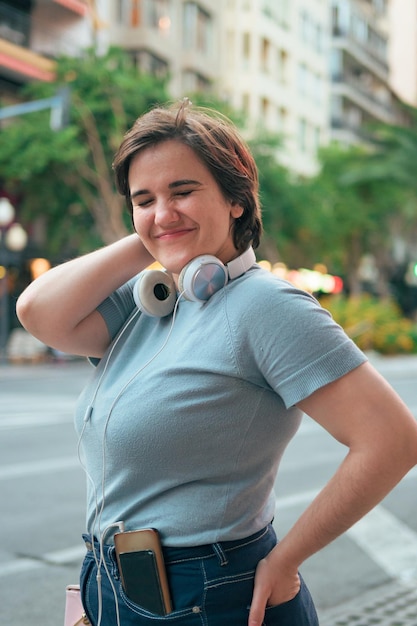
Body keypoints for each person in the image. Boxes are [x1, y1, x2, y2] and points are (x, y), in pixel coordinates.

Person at [16, 99, 417, 626]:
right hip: (113, 584)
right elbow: (37, 312)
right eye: (143, 198)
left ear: (235, 199)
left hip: (208, 593)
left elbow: (393, 439)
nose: (163, 209)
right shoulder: (151, 297)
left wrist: (287, 559)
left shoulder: (266, 306)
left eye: (183, 190)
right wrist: (157, 235)